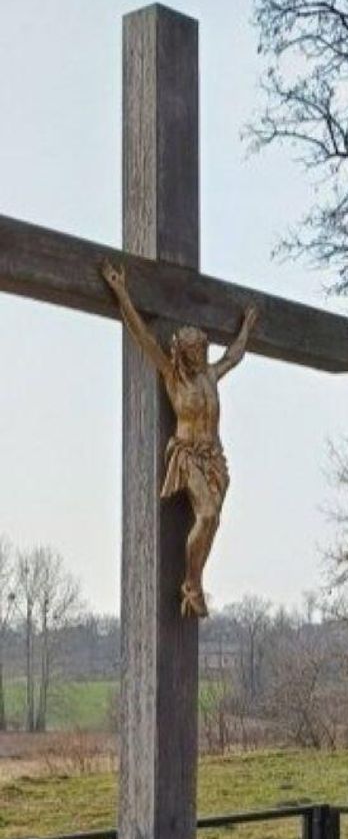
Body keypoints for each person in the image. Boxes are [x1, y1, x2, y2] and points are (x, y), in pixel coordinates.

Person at [101, 262, 257, 618]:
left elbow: (234, 355)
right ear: (184, 352)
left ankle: (195, 581)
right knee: (206, 516)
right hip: (187, 456)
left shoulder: (210, 376)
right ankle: (191, 582)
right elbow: (142, 336)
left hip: (213, 457)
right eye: (196, 351)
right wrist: (122, 292)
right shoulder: (174, 377)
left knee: (213, 520)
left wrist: (246, 326)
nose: (202, 355)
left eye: (204, 349)